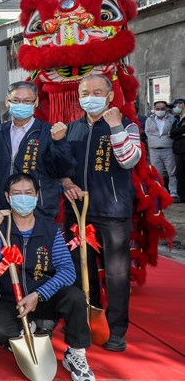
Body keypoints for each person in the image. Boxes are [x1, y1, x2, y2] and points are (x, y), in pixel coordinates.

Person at [0, 174, 95, 381]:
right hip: (11, 300)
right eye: (17, 194)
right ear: (7, 197)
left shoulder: (50, 229)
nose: (23, 198)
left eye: (28, 193)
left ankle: (76, 353)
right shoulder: (1, 225)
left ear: (37, 196)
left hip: (43, 296)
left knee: (74, 296)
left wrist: (39, 294)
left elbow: (68, 271)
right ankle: (35, 329)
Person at [61, 74, 141, 353]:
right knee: (81, 268)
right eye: (85, 92)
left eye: (97, 91)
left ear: (109, 96)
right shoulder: (72, 129)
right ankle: (86, 319)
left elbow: (129, 159)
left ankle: (117, 329)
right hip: (78, 210)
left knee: (117, 273)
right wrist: (67, 183)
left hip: (113, 211)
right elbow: (62, 167)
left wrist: (116, 125)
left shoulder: (127, 126)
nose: (90, 96)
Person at [0, 82, 72, 221]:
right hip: (3, 209)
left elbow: (61, 169)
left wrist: (59, 143)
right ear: (7, 101)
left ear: (36, 102)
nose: (21, 104)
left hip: (38, 209)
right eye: (16, 100)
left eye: (27, 101)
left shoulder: (48, 132)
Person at [145, 100, 178, 201]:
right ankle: (158, 192)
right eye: (158, 109)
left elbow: (174, 132)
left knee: (172, 172)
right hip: (154, 149)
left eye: (162, 109)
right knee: (156, 173)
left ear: (166, 109)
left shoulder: (172, 119)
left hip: (168, 148)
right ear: (154, 109)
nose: (160, 111)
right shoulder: (149, 120)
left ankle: (173, 193)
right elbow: (147, 132)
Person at [172, 100, 185, 204]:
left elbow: (181, 130)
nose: (175, 108)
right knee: (180, 173)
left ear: (182, 105)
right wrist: (179, 134)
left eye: (177, 105)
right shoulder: (177, 119)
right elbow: (172, 132)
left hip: (183, 147)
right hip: (179, 149)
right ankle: (182, 196)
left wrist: (177, 133)